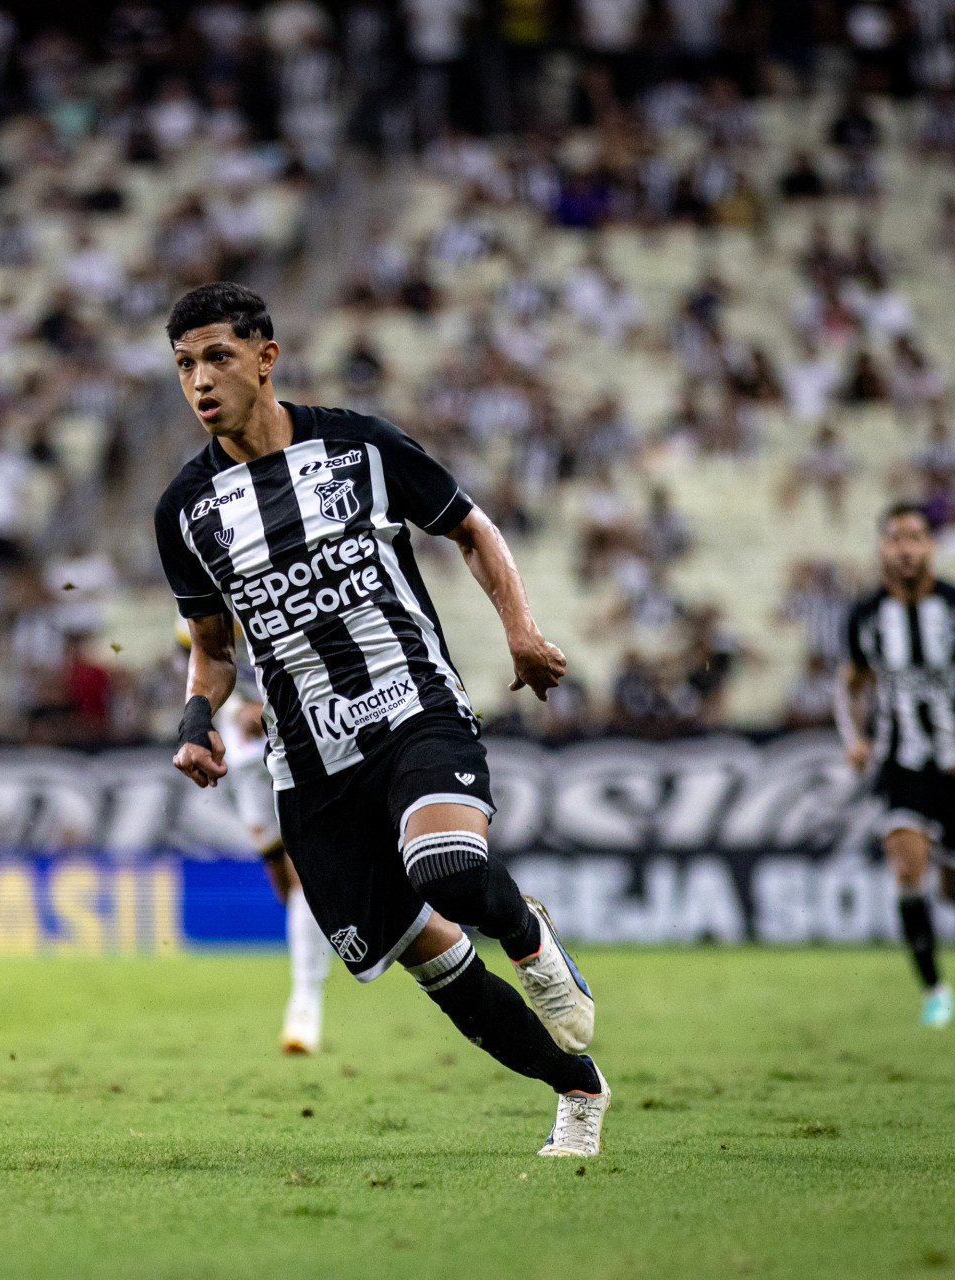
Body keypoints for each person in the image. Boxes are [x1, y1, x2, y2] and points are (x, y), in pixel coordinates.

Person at [153, 283, 608, 1158]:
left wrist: (521, 630)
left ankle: (528, 933)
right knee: (431, 963)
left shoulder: (356, 445)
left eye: (216, 357)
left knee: (444, 865)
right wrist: (195, 719)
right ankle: (577, 1090)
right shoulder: (186, 511)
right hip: (308, 766)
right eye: (183, 365)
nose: (200, 380)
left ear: (264, 357)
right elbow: (212, 648)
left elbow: (470, 528)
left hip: (412, 707)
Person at [836, 505, 955, 1029]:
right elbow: (849, 685)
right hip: (902, 763)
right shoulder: (866, 616)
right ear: (881, 548)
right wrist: (856, 739)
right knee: (907, 864)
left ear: (932, 546)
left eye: (915, 537)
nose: (905, 549)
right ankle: (935, 990)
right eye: (895, 538)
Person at [180, 616, 332, 1054]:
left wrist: (271, 708)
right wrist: (224, 715)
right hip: (245, 757)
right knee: (281, 878)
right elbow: (193, 663)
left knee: (301, 867)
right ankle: (317, 946)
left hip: (302, 737)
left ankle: (305, 1001)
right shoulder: (200, 594)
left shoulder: (280, 575)